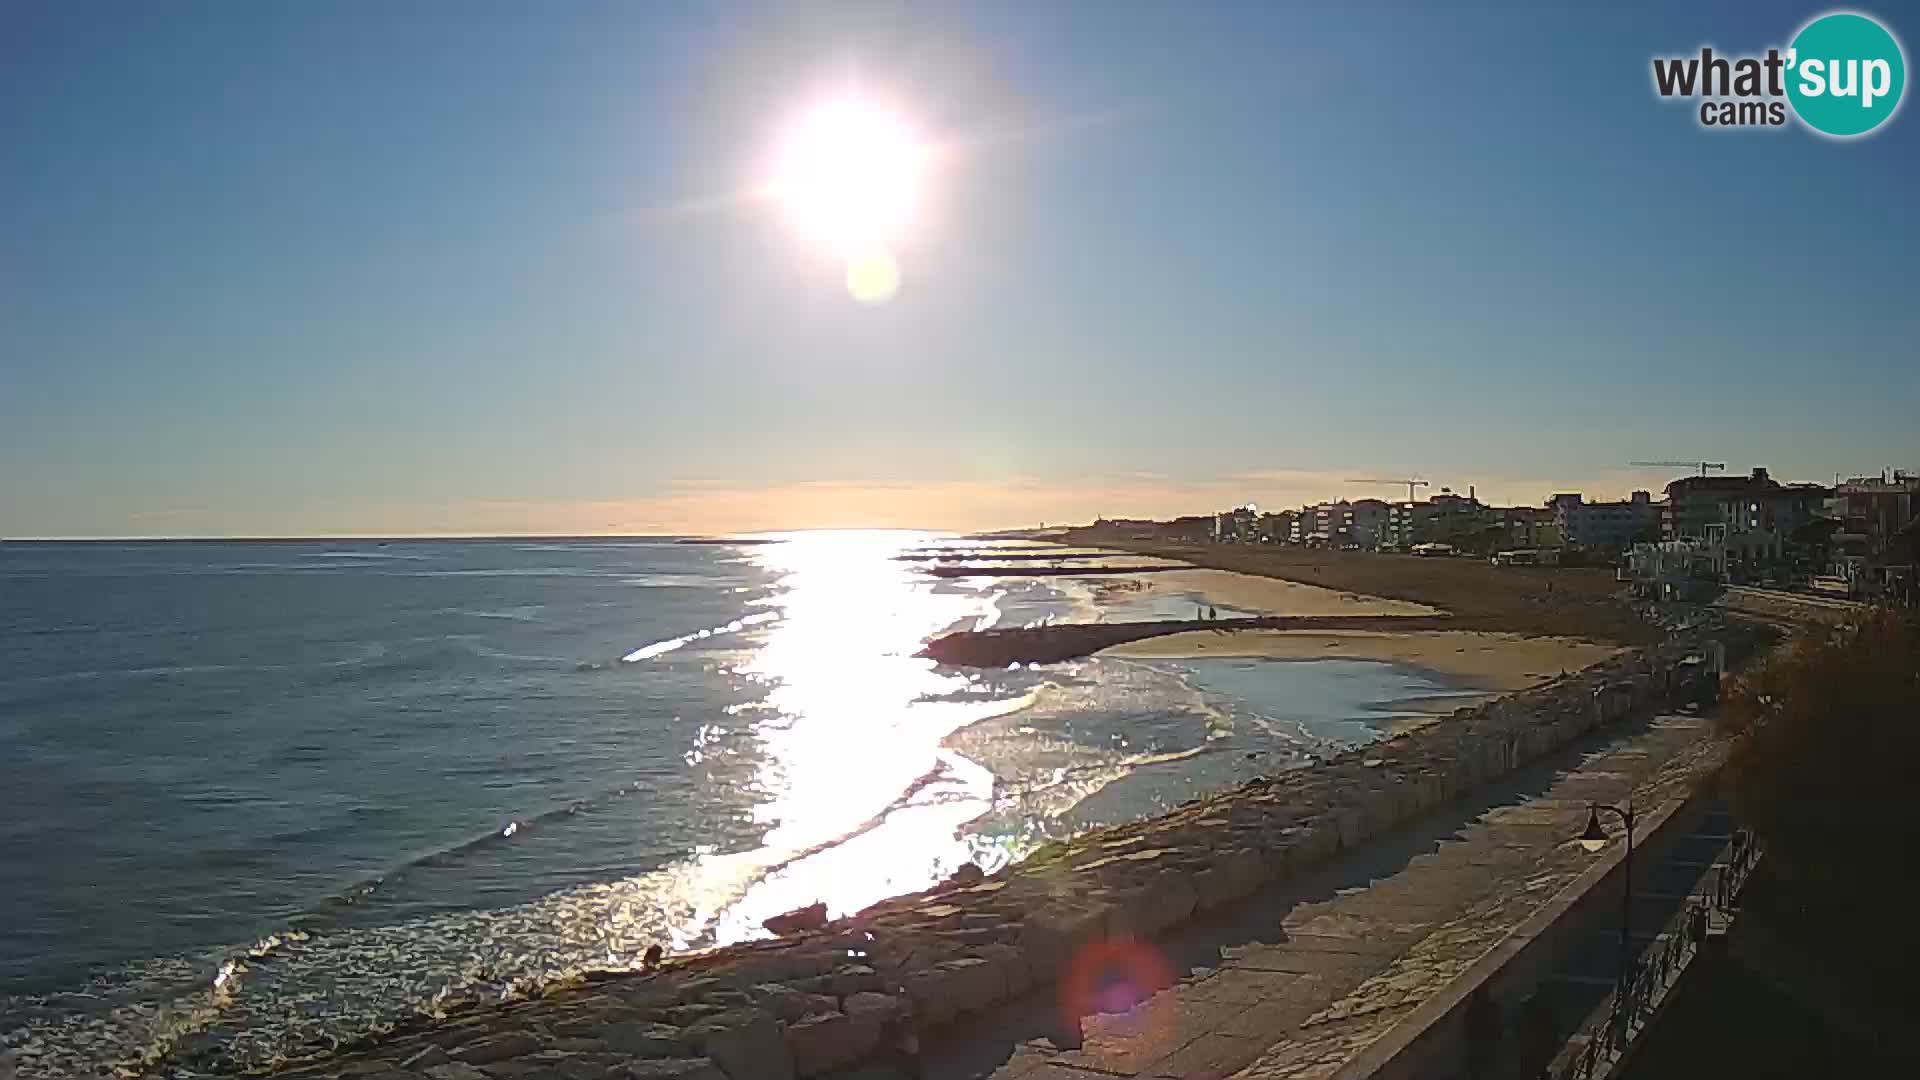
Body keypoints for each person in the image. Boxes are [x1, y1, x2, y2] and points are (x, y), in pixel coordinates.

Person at [1465, 986, 1501, 1079]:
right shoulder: (1491, 1008)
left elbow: (1468, 1031)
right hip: (1486, 1046)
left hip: (1478, 1047)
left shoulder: (1472, 1011)